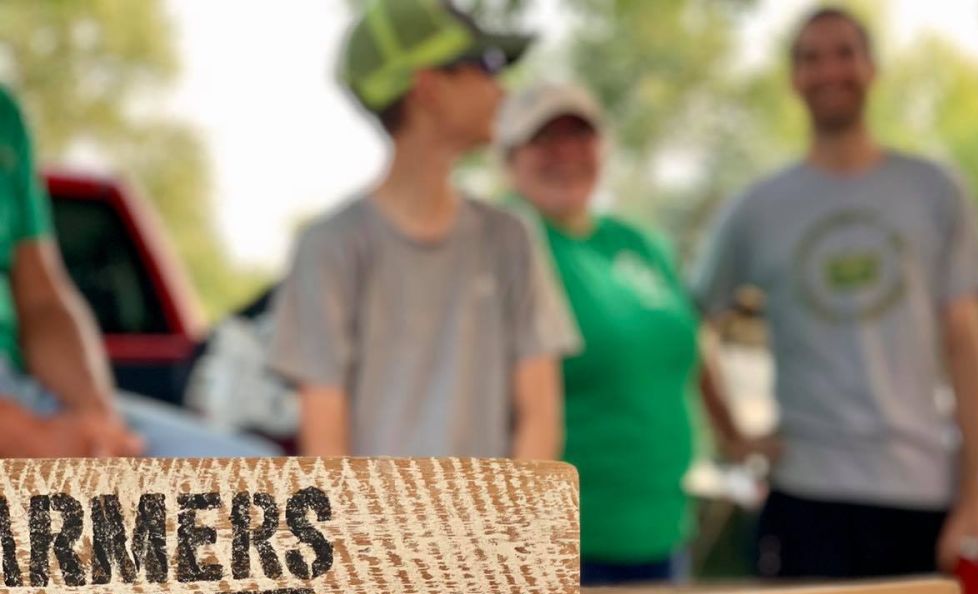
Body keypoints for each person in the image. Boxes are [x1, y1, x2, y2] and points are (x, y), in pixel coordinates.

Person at [694, 7, 978, 587]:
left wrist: (974, 496)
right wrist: (733, 435)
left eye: (844, 52)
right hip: (804, 494)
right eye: (810, 58)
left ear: (872, 68)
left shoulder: (935, 190)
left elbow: (967, 346)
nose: (829, 70)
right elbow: (685, 327)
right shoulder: (758, 208)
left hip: (919, 493)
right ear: (794, 79)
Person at [269, 0, 578, 459]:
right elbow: (325, 444)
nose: (501, 89)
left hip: (495, 530)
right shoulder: (330, 248)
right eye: (484, 66)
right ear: (428, 86)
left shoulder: (511, 238)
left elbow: (539, 417)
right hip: (372, 530)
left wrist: (510, 531)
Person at [498, 83, 754, 585]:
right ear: (509, 158)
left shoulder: (637, 243)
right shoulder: (506, 245)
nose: (565, 154)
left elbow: (690, 340)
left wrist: (736, 436)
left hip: (663, 530)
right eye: (544, 140)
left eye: (580, 137)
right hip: (562, 546)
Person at [0, 85, 275, 459]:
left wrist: (99, 423)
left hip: (27, 389)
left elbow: (42, 300)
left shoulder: (7, 117)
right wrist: (25, 436)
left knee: (260, 477)